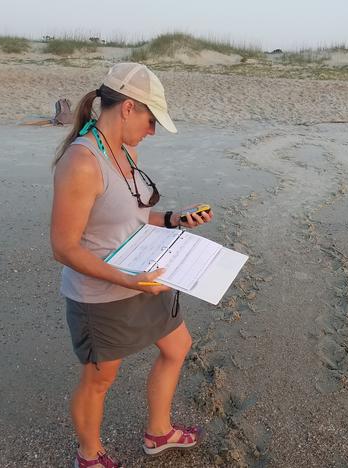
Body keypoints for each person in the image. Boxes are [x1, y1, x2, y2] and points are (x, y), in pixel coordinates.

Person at [50, 63, 212, 468]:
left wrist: (175, 218)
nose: (153, 131)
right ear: (127, 108)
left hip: (145, 276)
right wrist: (128, 279)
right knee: (100, 378)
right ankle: (89, 455)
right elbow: (64, 248)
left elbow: (135, 218)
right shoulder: (82, 162)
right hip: (103, 293)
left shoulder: (126, 149)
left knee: (178, 346)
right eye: (151, 119)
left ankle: (159, 432)